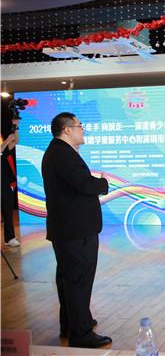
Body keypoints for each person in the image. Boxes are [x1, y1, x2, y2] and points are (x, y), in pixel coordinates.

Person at [41, 112, 112, 348]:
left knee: (69, 279)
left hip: (69, 229)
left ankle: (72, 324)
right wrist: (103, 183)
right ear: (67, 129)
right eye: (80, 126)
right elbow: (84, 184)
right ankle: (81, 334)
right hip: (75, 230)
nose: (83, 130)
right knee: (78, 280)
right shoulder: (63, 154)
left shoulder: (58, 152)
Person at [1, 119, 19, 247]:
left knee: (7, 208)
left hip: (4, 180)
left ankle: (9, 238)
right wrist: (7, 141)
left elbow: (14, 142)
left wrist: (15, 127)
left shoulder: (2, 140)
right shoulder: (4, 141)